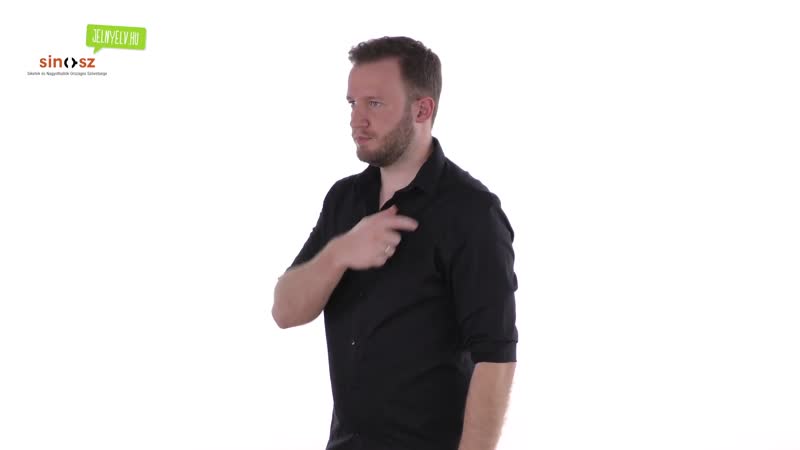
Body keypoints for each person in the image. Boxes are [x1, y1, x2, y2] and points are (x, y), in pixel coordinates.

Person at [272, 36, 518, 450]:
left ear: (422, 109)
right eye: (352, 104)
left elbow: (495, 358)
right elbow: (285, 310)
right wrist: (340, 253)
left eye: (374, 104)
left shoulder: (472, 213)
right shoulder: (344, 199)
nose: (357, 120)